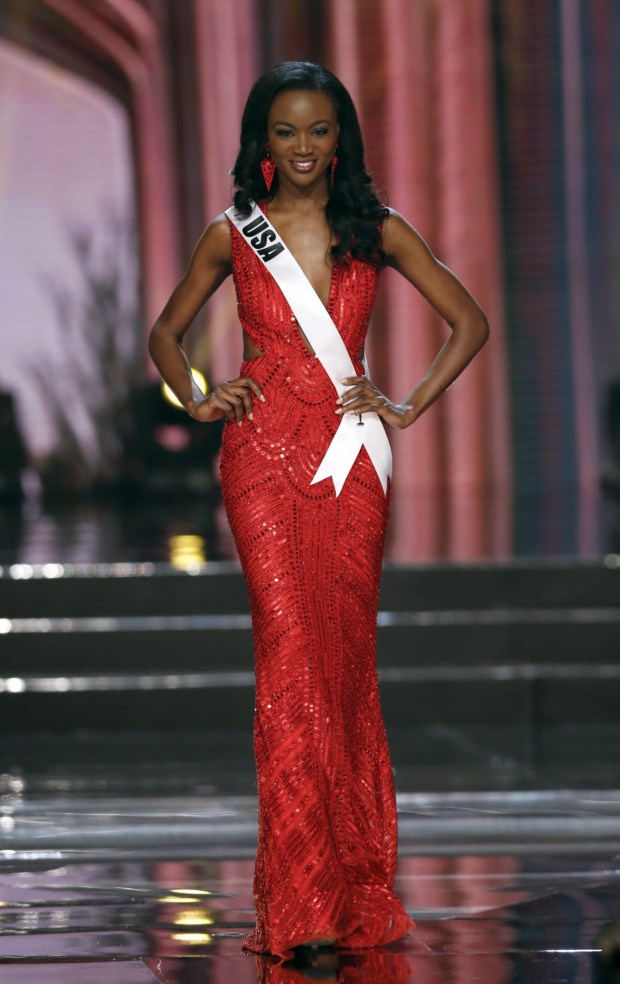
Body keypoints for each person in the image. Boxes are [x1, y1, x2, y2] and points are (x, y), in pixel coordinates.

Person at [149, 61, 489, 963]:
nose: (303, 147)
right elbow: (165, 334)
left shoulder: (376, 229)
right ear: (263, 140)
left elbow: (468, 320)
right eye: (286, 131)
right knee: (290, 663)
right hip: (260, 461)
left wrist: (406, 405)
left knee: (341, 670)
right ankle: (303, 907)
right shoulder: (233, 234)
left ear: (342, 139)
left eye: (319, 130)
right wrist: (198, 397)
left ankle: (352, 889)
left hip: (350, 462)